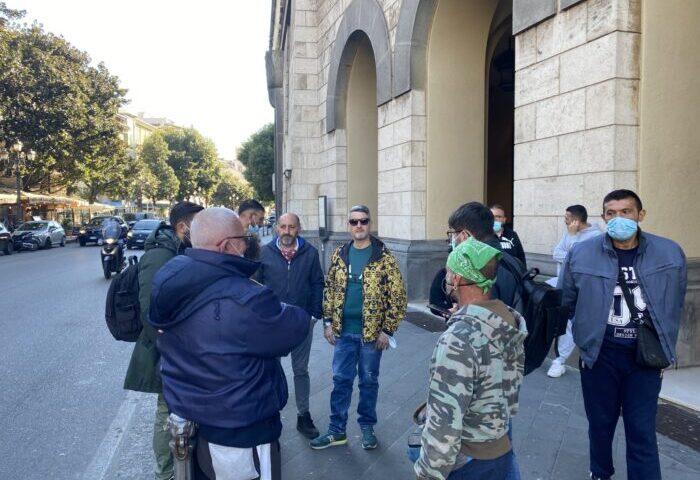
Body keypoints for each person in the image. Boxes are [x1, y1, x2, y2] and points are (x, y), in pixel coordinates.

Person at [149, 207, 310, 480]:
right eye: (243, 237)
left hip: (192, 418)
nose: (248, 242)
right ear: (226, 245)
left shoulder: (170, 277)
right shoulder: (246, 299)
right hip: (242, 427)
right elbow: (295, 325)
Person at [560, 189, 687, 480]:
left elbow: (675, 300)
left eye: (626, 212)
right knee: (600, 424)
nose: (618, 219)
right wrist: (586, 331)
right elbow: (568, 299)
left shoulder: (669, 252)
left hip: (644, 357)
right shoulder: (582, 252)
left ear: (640, 215)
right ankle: (600, 472)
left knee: (641, 428)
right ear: (603, 218)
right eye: (611, 213)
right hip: (599, 355)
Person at [414, 239, 527, 480]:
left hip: (469, 461)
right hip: (500, 447)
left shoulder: (458, 339)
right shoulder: (507, 320)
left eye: (448, 272)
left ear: (456, 279)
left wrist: (427, 474)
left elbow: (444, 424)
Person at [310, 204, 407, 450]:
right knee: (341, 380)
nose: (359, 226)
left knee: (368, 381)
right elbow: (329, 290)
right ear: (348, 225)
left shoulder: (383, 257)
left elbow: (398, 296)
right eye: (354, 222)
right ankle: (336, 431)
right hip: (343, 333)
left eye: (363, 221)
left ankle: (367, 428)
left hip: (372, 335)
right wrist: (328, 322)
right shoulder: (340, 254)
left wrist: (388, 330)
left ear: (370, 224)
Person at [123, 201, 203, 480]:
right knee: (165, 411)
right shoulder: (160, 256)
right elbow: (150, 311)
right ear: (183, 227)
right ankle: (166, 472)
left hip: (178, 346)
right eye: (199, 225)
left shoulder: (178, 249)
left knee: (175, 409)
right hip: (164, 349)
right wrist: (170, 346)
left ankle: (179, 465)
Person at [258, 212, 324, 439]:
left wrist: (314, 315)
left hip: (301, 323)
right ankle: (268, 415)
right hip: (272, 325)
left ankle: (303, 416)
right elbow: (256, 286)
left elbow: (318, 284)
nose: (287, 231)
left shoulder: (310, 253)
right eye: (283, 227)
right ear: (277, 228)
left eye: (291, 227)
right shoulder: (263, 252)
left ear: (299, 229)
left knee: (301, 370)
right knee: (269, 370)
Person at [546, 204, 602, 378]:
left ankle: (564, 360)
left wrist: (571, 239)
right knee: (567, 322)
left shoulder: (597, 237)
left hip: (586, 289)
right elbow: (557, 254)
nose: (565, 220)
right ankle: (559, 360)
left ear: (575, 220)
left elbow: (578, 259)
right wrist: (571, 242)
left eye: (567, 217)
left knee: (577, 323)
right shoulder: (569, 233)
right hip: (565, 286)